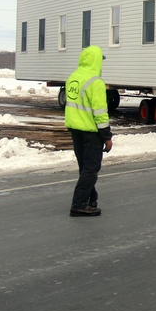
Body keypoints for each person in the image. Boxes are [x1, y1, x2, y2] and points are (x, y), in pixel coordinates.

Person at [65, 45, 113, 217]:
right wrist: (107, 137)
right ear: (96, 61)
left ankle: (90, 199)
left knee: (84, 167)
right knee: (91, 169)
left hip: (75, 129)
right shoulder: (95, 82)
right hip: (91, 132)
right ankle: (78, 204)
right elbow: (100, 113)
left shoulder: (73, 78)